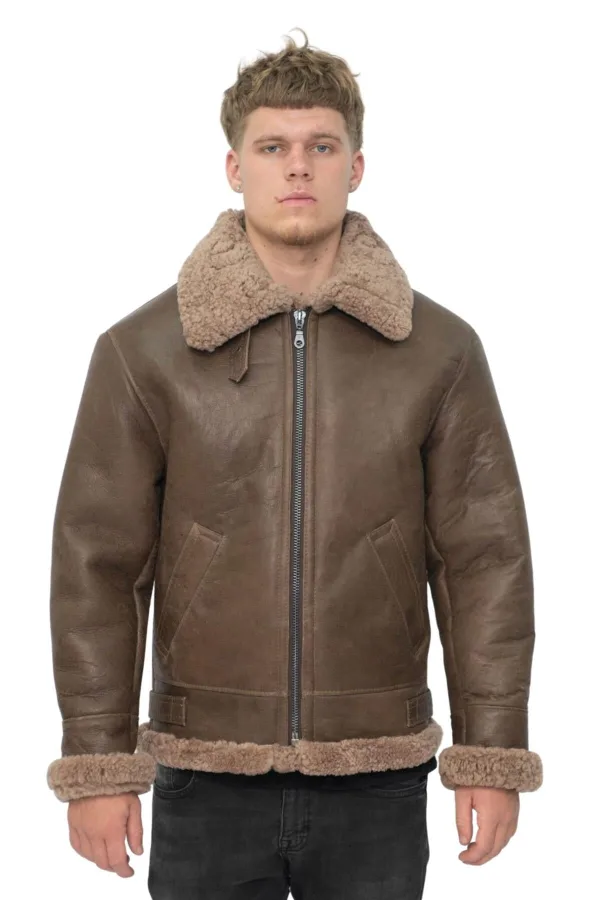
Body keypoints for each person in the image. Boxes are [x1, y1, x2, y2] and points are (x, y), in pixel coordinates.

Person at [45, 26, 543, 899]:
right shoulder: (144, 351)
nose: (298, 167)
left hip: (378, 770)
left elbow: (484, 560)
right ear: (234, 168)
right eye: (273, 147)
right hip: (204, 773)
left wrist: (491, 751)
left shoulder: (440, 351)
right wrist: (97, 763)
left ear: (358, 166)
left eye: (322, 145)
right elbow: (98, 565)